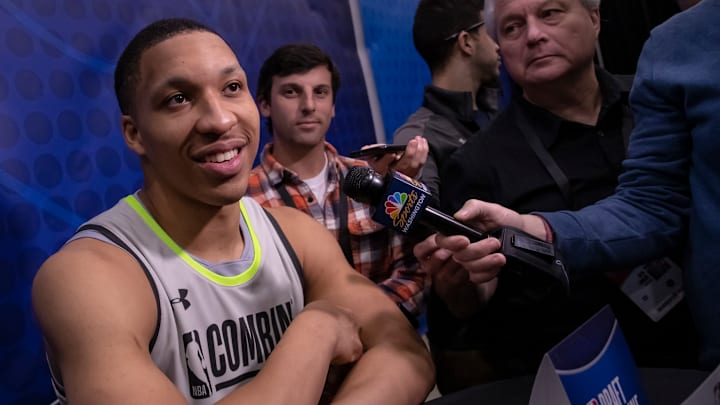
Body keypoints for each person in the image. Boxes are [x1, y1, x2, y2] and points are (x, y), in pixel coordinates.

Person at [31, 18, 434, 405]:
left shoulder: (295, 234)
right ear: (134, 133)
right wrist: (319, 328)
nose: (220, 119)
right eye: (178, 99)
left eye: (231, 87)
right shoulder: (88, 276)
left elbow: (406, 354)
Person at [419, 0, 720, 373]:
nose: (534, 35)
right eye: (513, 27)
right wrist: (467, 286)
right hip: (582, 372)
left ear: (595, 18)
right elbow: (467, 317)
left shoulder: (656, 97)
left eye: (550, 13)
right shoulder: (475, 164)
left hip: (693, 350)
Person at [246, 43, 429, 325]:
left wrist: (367, 326)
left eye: (320, 92)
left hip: (387, 340)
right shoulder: (243, 199)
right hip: (301, 358)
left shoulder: (374, 177)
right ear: (265, 105)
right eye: (291, 92)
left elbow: (413, 270)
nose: (308, 106)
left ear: (332, 107)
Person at [392, 0, 501, 204]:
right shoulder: (417, 139)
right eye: (488, 33)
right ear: (466, 42)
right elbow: (412, 222)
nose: (497, 46)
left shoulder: (501, 116)